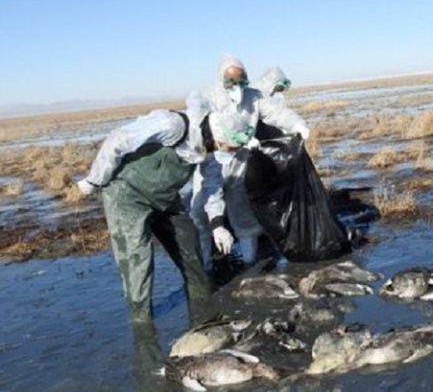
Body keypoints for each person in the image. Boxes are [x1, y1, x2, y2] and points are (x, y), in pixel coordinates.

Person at [77, 107, 253, 322]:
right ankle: (142, 322)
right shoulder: (173, 125)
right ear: (219, 134)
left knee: (190, 243)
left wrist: (217, 225)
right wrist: (94, 179)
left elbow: (212, 187)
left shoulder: (210, 150)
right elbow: (119, 139)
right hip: (127, 195)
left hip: (166, 198)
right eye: (231, 147)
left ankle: (203, 309)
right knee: (137, 260)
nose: (231, 152)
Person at [189, 57, 309, 270]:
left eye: (241, 80)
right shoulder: (208, 97)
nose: (236, 86)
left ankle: (249, 262)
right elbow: (195, 117)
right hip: (211, 161)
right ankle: (205, 266)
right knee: (201, 215)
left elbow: (277, 113)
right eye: (230, 81)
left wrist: (297, 125)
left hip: (238, 165)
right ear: (221, 78)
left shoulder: (254, 97)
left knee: (242, 213)